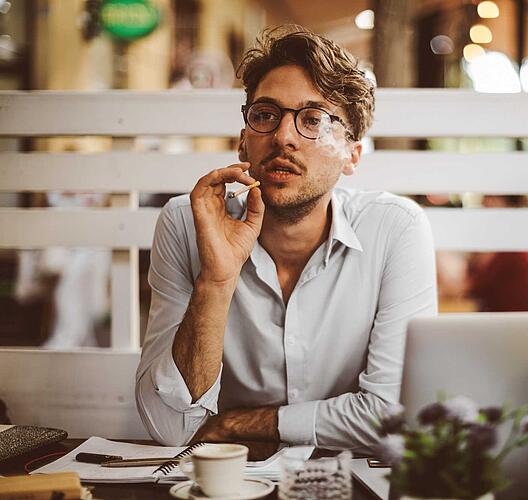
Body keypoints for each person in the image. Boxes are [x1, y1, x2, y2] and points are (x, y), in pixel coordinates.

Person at [135, 25, 437, 453]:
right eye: (265, 115)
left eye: (313, 119)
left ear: (353, 154)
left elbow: (394, 417)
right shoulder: (187, 224)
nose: (283, 136)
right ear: (244, 141)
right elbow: (170, 427)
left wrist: (239, 424)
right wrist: (217, 281)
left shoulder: (395, 229)